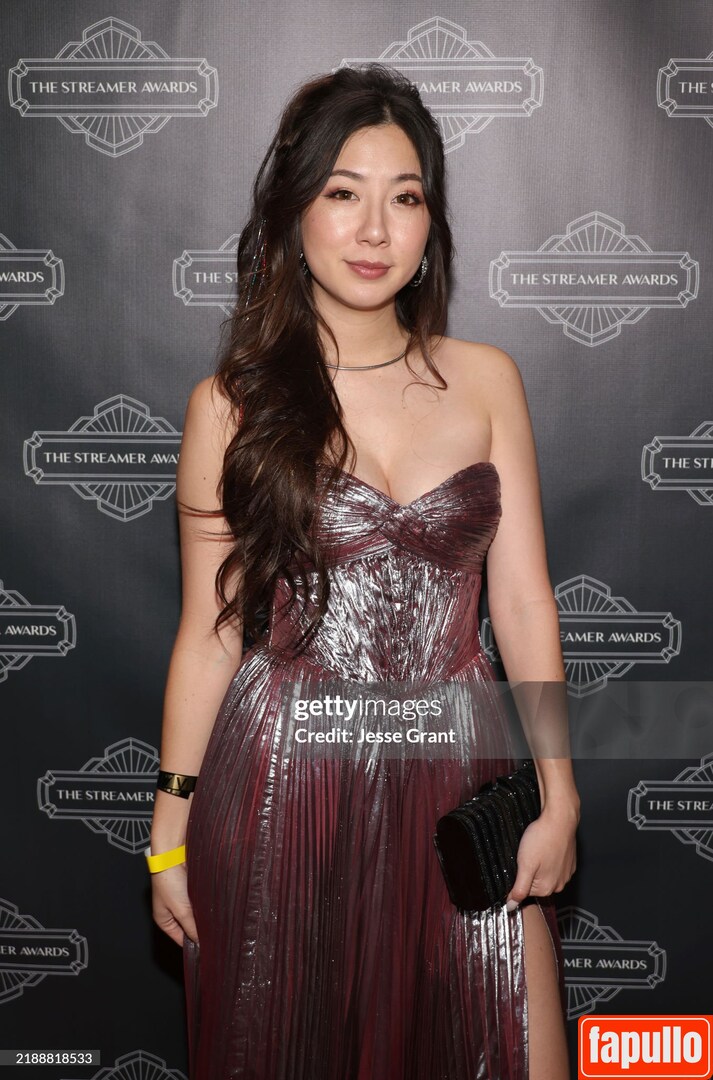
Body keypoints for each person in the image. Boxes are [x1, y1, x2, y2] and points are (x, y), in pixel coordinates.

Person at [147, 63, 580, 1079]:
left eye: (405, 197)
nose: (375, 229)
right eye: (343, 192)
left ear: (432, 224)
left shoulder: (485, 381)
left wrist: (559, 795)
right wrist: (169, 826)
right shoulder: (231, 406)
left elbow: (521, 601)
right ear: (293, 212)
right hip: (283, 781)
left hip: (458, 776)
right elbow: (210, 635)